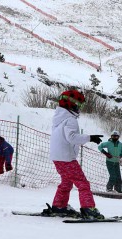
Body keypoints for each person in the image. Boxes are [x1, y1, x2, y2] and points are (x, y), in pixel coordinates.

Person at [44, 89, 105, 219]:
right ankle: (88, 209)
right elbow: (71, 137)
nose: (79, 108)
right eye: (78, 105)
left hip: (57, 158)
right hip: (67, 158)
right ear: (70, 104)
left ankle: (59, 206)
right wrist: (90, 138)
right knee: (82, 183)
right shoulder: (70, 120)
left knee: (66, 182)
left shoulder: (59, 120)